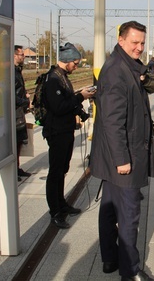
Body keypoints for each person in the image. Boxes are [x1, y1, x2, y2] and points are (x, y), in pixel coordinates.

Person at [90, 20, 154, 281]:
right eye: (134, 42)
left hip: (115, 156)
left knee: (109, 208)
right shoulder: (117, 70)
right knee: (129, 215)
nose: (139, 47)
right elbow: (112, 120)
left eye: (142, 43)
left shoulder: (125, 65)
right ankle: (130, 272)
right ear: (120, 40)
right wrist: (122, 160)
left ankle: (109, 259)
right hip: (123, 157)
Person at [42, 42, 94, 229]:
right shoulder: (53, 79)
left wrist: (80, 107)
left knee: (62, 169)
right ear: (68, 61)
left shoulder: (62, 76)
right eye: (76, 63)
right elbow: (59, 107)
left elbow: (67, 100)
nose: (77, 66)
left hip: (65, 130)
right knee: (55, 172)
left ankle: (61, 203)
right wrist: (81, 97)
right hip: (56, 131)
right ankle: (55, 211)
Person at [13, 45, 32, 181]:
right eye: (21, 55)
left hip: (19, 110)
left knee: (19, 140)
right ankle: (13, 171)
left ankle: (17, 168)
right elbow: (10, 94)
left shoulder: (17, 70)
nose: (23, 57)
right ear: (14, 55)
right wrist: (25, 102)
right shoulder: (10, 71)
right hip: (14, 111)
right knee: (14, 141)